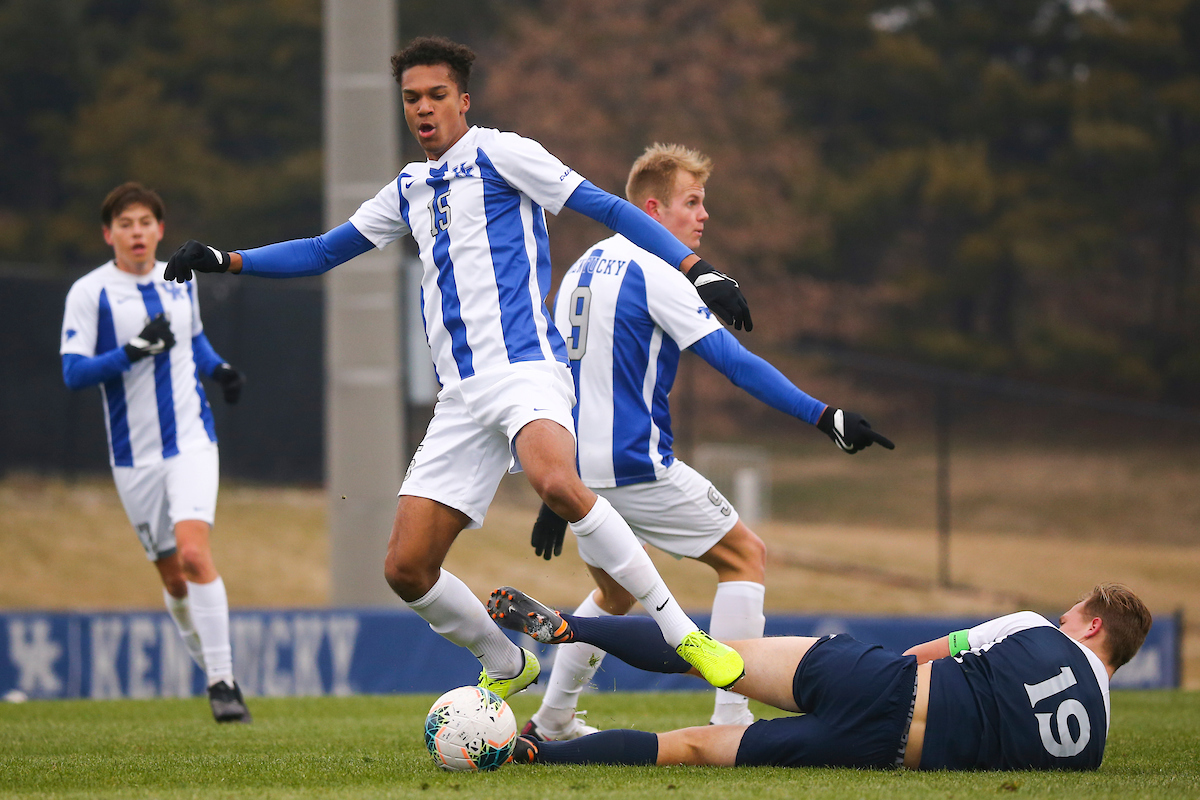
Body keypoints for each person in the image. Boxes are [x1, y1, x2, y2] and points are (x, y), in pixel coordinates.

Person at [161, 37, 755, 699]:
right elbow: (323, 251)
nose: (423, 108)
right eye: (411, 97)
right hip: (462, 398)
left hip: (527, 369)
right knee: (406, 569)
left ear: (463, 100)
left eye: (436, 95)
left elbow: (607, 208)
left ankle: (683, 635)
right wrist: (225, 259)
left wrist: (697, 270)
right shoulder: (409, 188)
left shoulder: (503, 152)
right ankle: (507, 664)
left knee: (557, 481)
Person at [513, 143, 894, 740]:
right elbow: (735, 364)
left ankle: (553, 719)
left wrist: (556, 488)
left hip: (582, 472)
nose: (703, 216)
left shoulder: (583, 267)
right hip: (637, 467)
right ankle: (731, 721)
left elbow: (566, 379)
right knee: (744, 556)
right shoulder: (658, 268)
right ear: (652, 208)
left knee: (613, 593)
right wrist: (826, 415)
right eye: (692, 202)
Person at [492, 583, 1151, 771]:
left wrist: (870, 672)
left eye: (1074, 618)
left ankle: (572, 629)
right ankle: (537, 757)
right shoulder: (1089, 748)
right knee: (688, 748)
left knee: (710, 652)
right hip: (880, 753)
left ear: (1090, 628)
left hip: (884, 685)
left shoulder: (1035, 628)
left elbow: (933, 653)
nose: (1063, 621)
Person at [59, 182, 250, 722]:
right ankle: (212, 670)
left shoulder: (178, 280)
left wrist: (221, 370)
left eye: (145, 222)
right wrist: (132, 351)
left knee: (194, 555)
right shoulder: (90, 293)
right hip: (133, 456)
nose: (137, 232)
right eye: (126, 224)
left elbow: (194, 342)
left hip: (191, 439)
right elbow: (74, 372)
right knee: (172, 579)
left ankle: (222, 683)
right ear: (108, 234)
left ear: (159, 229)